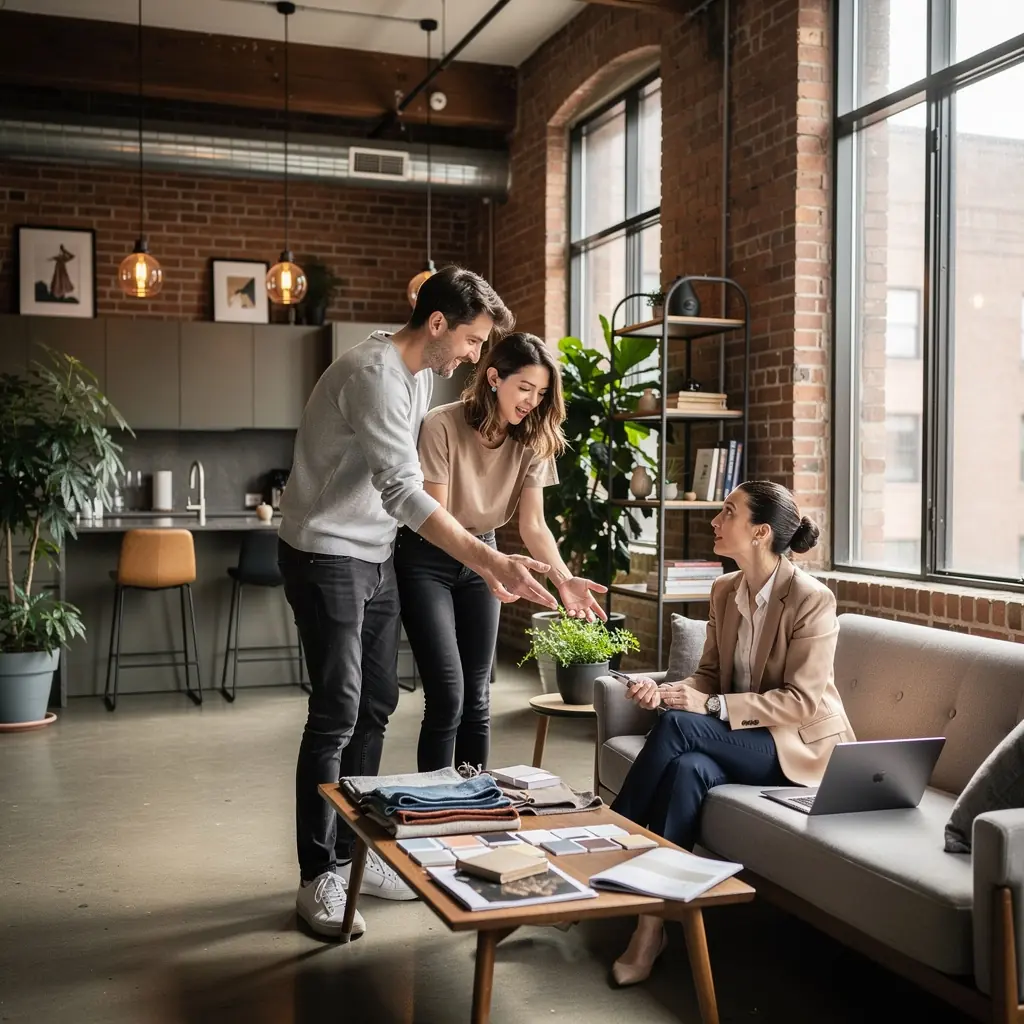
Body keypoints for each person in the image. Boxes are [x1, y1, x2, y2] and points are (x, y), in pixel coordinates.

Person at [277, 267, 558, 941]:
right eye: (472, 340)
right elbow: (405, 493)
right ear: (438, 325)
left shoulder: (420, 374)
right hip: (326, 552)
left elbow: (399, 503)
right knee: (338, 709)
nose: (474, 355)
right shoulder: (373, 374)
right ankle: (318, 873)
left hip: (373, 555)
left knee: (376, 705)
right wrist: (489, 558)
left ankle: (355, 851)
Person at [608, 480, 854, 986]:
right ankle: (651, 927)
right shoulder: (724, 589)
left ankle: (601, 851)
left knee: (678, 730)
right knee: (686, 768)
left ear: (760, 532)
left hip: (797, 746)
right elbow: (708, 676)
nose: (715, 521)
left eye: (727, 512)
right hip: (734, 738)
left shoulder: (811, 599)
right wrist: (672, 692)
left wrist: (706, 705)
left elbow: (801, 702)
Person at [395, 332, 608, 773]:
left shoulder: (532, 439)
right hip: (428, 557)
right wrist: (487, 563)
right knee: (447, 694)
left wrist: (563, 578)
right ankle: (431, 803)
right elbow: (436, 518)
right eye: (525, 388)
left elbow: (534, 525)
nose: (533, 401)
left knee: (477, 696)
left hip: (484, 558)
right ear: (494, 378)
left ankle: (475, 803)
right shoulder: (441, 426)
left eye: (542, 393)